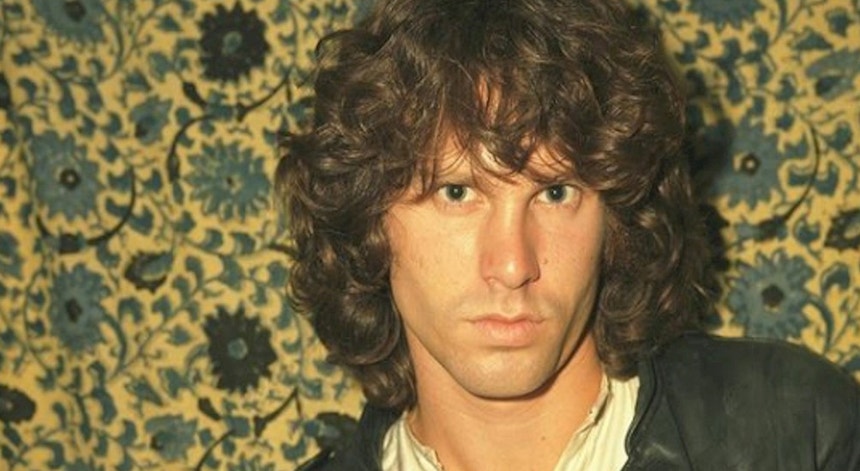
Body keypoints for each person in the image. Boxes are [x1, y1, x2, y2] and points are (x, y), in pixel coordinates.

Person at [275, 0, 860, 469]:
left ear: (618, 222)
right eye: (456, 192)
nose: (512, 265)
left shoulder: (794, 430)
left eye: (555, 193)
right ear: (368, 223)